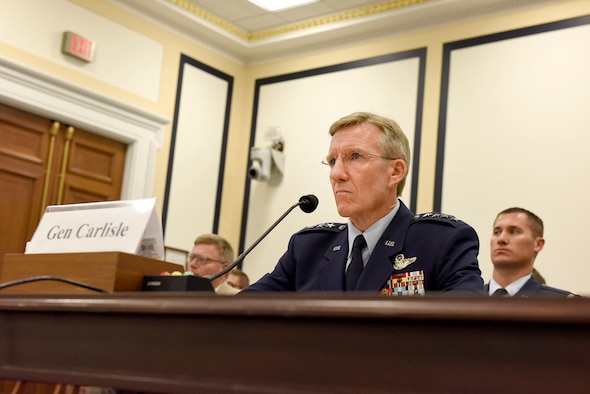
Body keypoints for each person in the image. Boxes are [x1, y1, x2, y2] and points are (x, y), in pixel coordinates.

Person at [242, 111, 484, 294]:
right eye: (333, 160)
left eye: (355, 157)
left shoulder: (440, 242)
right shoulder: (308, 249)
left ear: (395, 172)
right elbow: (244, 309)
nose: (336, 174)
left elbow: (466, 326)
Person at [486, 207, 577, 297]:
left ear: (538, 244)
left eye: (513, 231)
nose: (501, 239)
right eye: (497, 232)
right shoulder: (472, 298)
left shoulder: (563, 304)